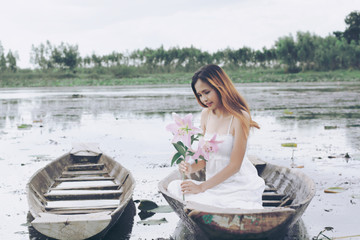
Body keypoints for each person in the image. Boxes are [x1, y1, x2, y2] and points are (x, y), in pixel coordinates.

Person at [167, 64, 265, 209]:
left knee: (236, 207)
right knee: (174, 186)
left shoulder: (239, 117)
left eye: (207, 92)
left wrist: (201, 188)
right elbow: (204, 160)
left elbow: (235, 166)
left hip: (238, 187)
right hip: (212, 186)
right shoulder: (205, 114)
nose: (204, 99)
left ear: (220, 87)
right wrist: (190, 168)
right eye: (200, 95)